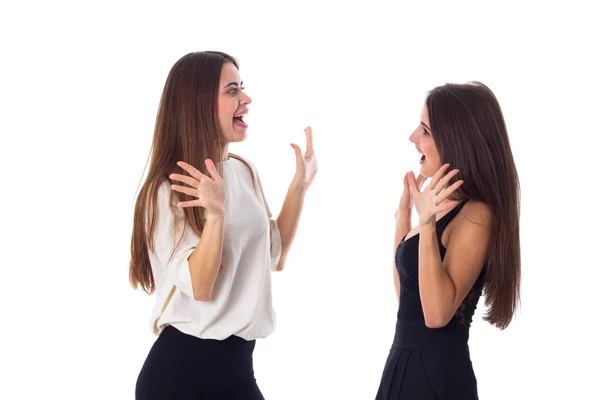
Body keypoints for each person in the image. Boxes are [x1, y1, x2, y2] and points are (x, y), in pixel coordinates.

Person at [129, 51, 317, 399]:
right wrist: (215, 216)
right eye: (232, 91)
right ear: (199, 103)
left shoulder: (242, 170)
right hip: (179, 378)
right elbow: (201, 286)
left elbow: (275, 256)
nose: (246, 99)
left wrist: (299, 186)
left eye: (241, 88)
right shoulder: (168, 188)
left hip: (237, 373)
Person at [376, 82, 521, 399]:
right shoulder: (441, 206)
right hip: (402, 364)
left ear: (457, 141)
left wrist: (425, 224)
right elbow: (409, 302)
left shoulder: (477, 214)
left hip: (436, 377)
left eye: (425, 131)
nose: (413, 138)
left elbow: (436, 315)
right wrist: (403, 219)